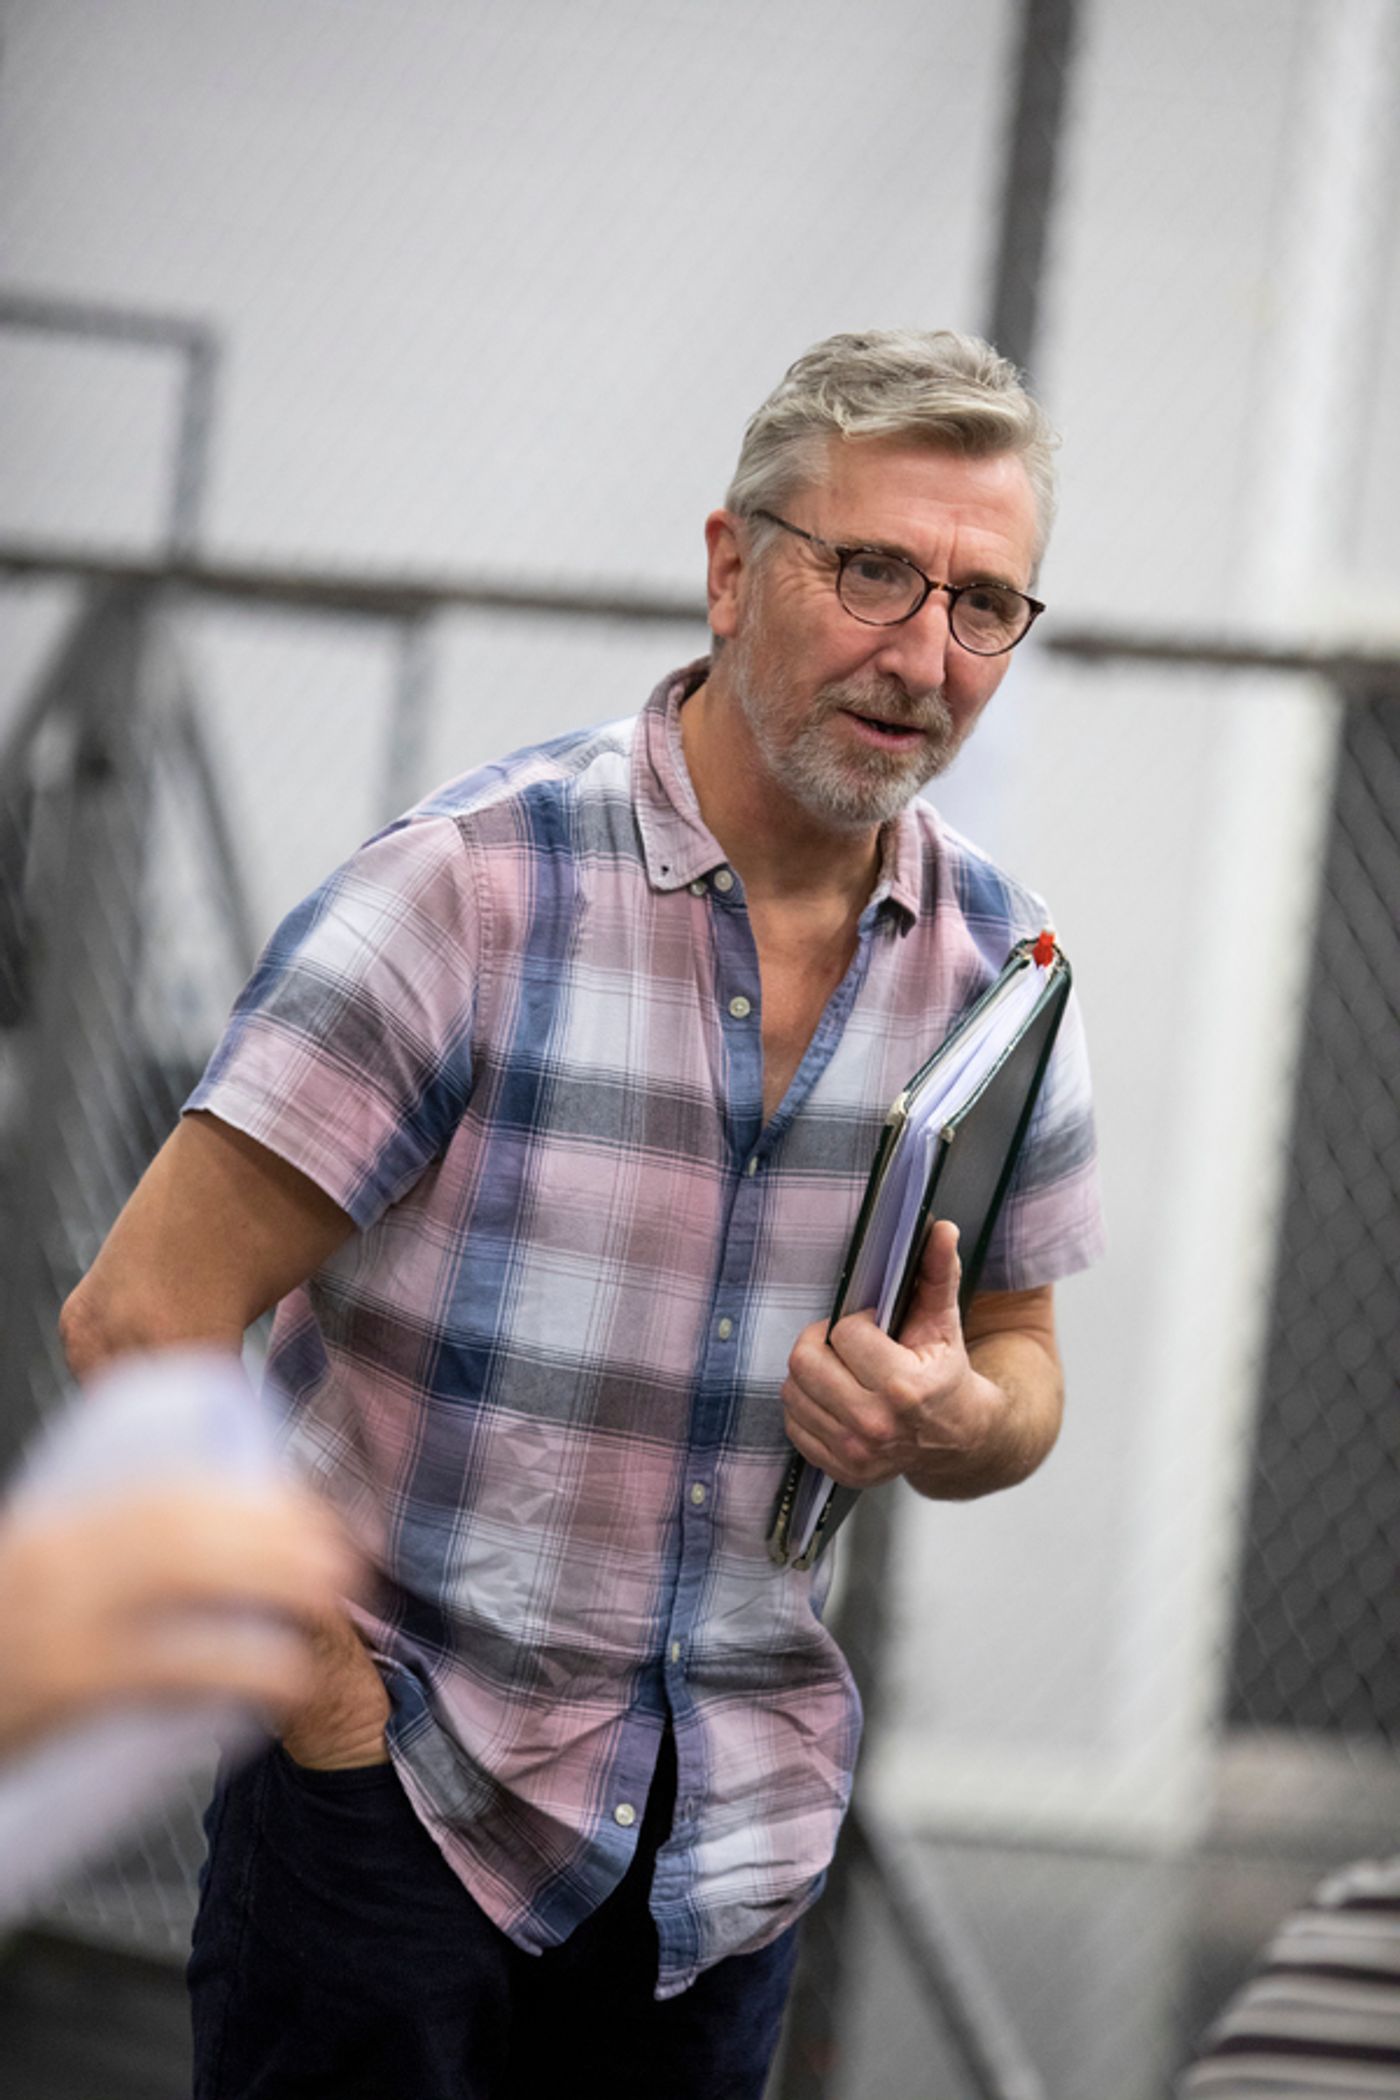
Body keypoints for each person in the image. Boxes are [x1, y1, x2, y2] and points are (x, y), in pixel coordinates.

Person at [61, 328, 1105, 2099]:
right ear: (729, 563)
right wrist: (323, 1714)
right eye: (872, 572)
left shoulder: (1000, 967)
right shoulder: (467, 892)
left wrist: (955, 1416)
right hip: (396, 1826)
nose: (924, 655)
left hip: (725, 1866)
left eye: (986, 603)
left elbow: (1022, 1367)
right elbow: (137, 1319)